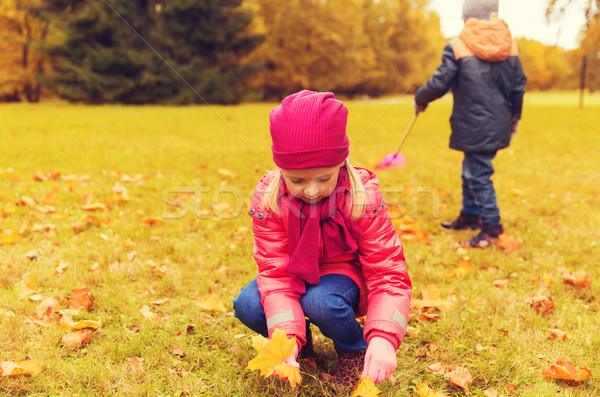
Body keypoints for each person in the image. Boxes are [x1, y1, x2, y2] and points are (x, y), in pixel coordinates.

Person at [233, 90, 412, 389]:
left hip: (344, 278)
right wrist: (286, 337)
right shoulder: (269, 201)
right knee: (249, 304)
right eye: (298, 180)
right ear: (281, 170)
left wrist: (384, 337)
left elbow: (388, 274)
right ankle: (301, 346)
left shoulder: (362, 198)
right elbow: (275, 274)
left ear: (342, 164)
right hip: (294, 275)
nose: (312, 191)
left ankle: (356, 351)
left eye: (324, 178)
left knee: (321, 301)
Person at [414, 0, 527, 248]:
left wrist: (420, 98)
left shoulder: (458, 44)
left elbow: (440, 83)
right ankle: (470, 215)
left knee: (478, 175)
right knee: (471, 170)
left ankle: (491, 229)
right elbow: (519, 86)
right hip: (498, 123)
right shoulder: (511, 45)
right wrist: (514, 117)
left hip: (473, 123)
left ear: (466, 17)